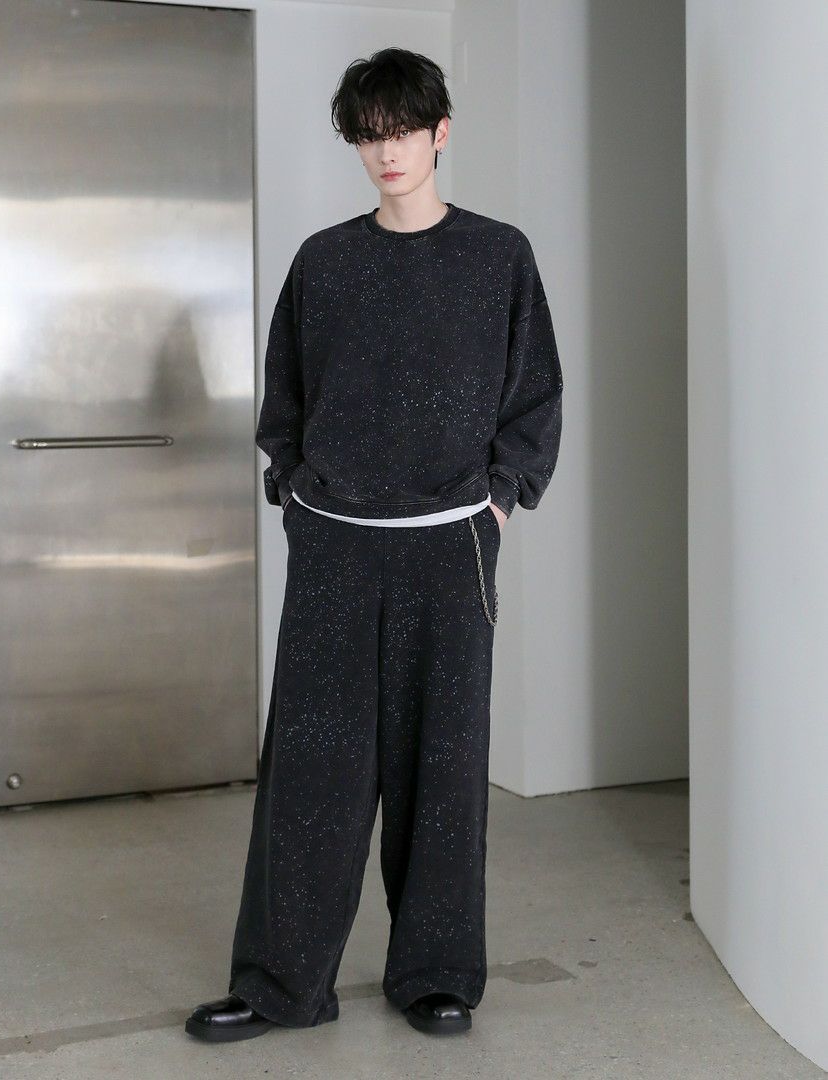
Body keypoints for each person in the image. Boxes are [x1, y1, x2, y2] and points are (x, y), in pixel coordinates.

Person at [185, 46, 563, 1042]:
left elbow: (534, 396)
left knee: (444, 768)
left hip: (450, 546)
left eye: (403, 130)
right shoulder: (325, 263)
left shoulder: (498, 257)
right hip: (337, 548)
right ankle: (280, 985)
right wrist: (296, 497)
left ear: (440, 133)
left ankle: (435, 974)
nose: (387, 151)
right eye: (369, 134)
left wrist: (499, 505)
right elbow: (285, 399)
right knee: (312, 773)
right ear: (355, 143)